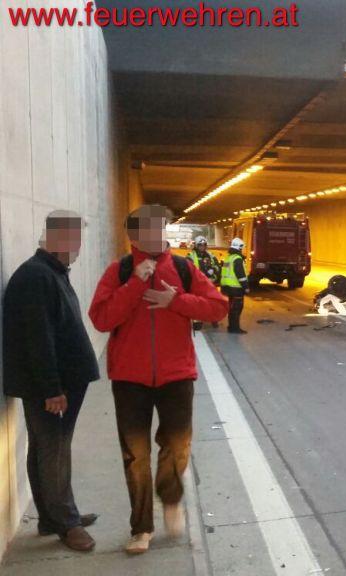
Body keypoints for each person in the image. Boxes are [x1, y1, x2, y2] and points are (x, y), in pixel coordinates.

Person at [88, 204, 228, 555]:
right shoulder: (119, 271)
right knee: (135, 455)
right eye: (148, 230)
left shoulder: (183, 268)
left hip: (176, 374)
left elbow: (218, 307)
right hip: (130, 377)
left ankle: (170, 497)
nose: (156, 236)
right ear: (133, 236)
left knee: (177, 445)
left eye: (160, 228)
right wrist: (135, 283)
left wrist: (175, 300)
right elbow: (102, 319)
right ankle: (141, 528)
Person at [3, 211, 100, 552]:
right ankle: (66, 523)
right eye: (74, 241)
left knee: (47, 449)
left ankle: (50, 516)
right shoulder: (36, 277)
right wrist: (51, 389)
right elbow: (38, 339)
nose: (77, 249)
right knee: (54, 451)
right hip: (53, 387)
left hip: (61, 383)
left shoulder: (50, 272)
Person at [187, 236, 220, 329]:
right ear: (197, 246)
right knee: (198, 303)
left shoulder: (211, 256)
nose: (202, 247)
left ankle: (214, 319)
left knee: (213, 303)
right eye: (200, 245)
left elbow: (218, 266)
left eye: (204, 245)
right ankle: (197, 321)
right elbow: (188, 269)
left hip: (210, 284)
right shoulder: (191, 256)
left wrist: (213, 270)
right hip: (198, 284)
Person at [220, 238, 249, 334]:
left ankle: (231, 326)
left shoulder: (229, 257)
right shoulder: (237, 259)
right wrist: (246, 287)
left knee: (232, 308)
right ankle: (234, 328)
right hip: (236, 288)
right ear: (239, 248)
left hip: (227, 288)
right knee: (237, 309)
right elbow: (240, 275)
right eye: (242, 248)